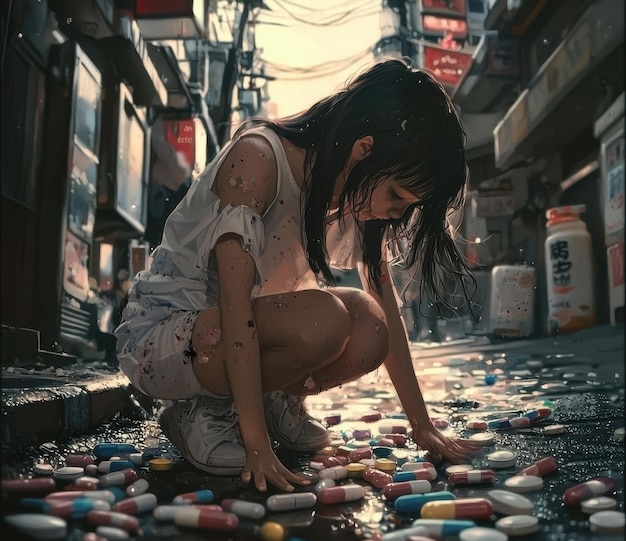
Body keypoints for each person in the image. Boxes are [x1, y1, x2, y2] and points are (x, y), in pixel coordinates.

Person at [114, 56, 480, 493]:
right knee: (323, 318)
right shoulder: (258, 160)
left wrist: (423, 426)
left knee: (370, 326)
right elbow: (233, 306)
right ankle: (201, 413)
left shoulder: (350, 192)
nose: (394, 212)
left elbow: (385, 306)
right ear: (363, 149)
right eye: (395, 194)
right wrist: (256, 448)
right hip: (165, 341)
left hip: (229, 342)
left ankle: (273, 400)